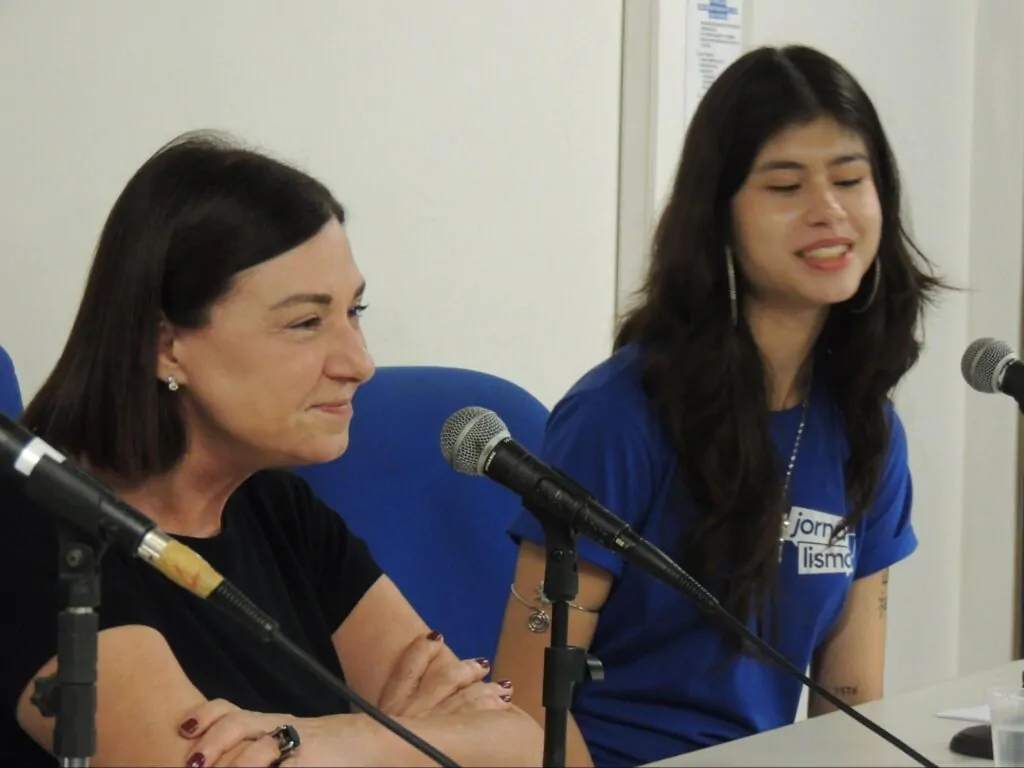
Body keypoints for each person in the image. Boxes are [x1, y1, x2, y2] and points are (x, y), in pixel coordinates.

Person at [1, 132, 543, 767]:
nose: (359, 363)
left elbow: (524, 747)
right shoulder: (31, 531)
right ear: (165, 346)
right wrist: (414, 737)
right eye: (306, 322)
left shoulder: (277, 508)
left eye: (355, 311)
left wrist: (339, 739)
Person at [492, 44, 946, 767]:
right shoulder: (619, 416)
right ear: (719, 215)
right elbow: (524, 710)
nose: (829, 211)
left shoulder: (867, 428)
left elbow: (851, 700)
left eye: (849, 179)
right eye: (786, 185)